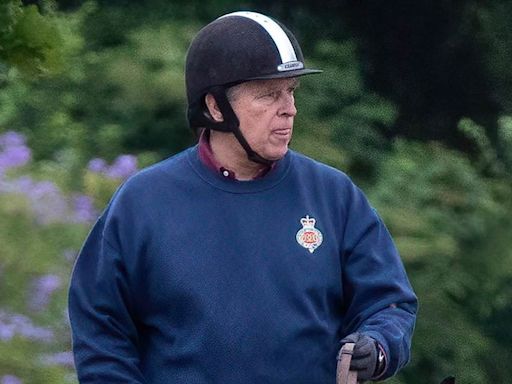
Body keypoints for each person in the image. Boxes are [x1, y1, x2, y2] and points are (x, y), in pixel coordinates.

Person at [68, 10, 418, 384]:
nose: (289, 109)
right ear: (215, 107)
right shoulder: (142, 203)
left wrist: (377, 345)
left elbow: (389, 303)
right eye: (268, 95)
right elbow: (101, 330)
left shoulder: (334, 195)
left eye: (292, 92)